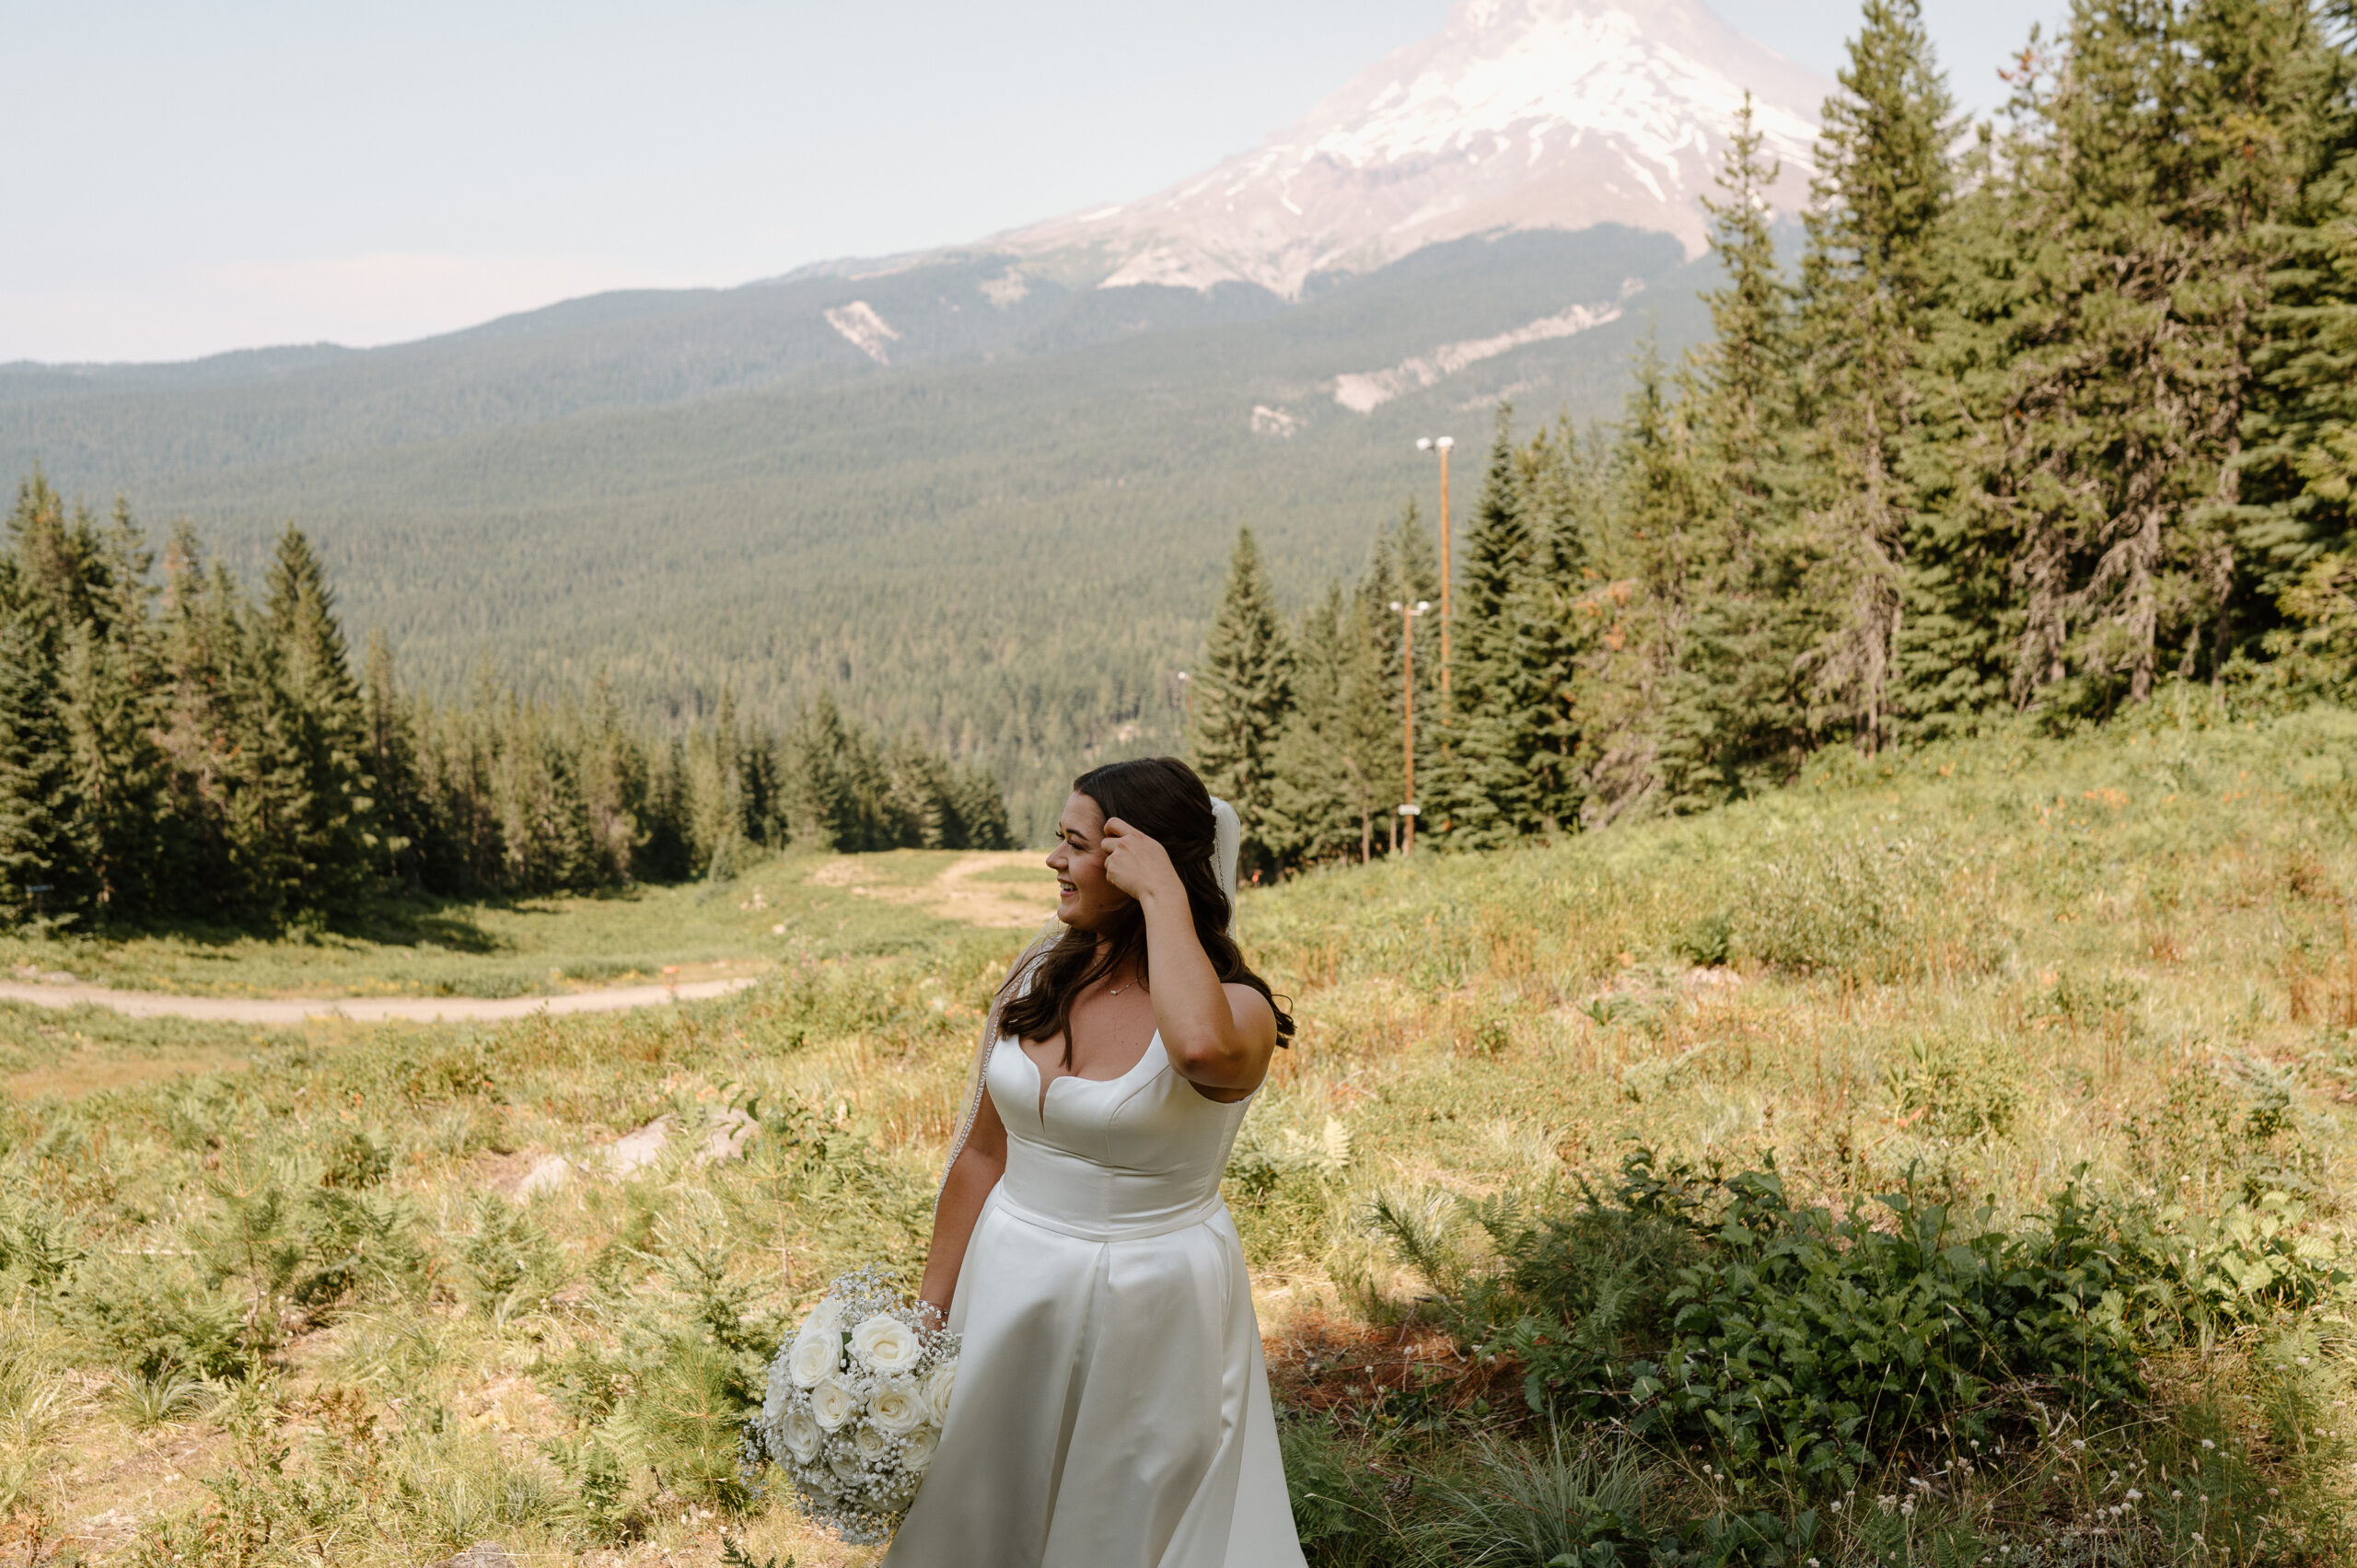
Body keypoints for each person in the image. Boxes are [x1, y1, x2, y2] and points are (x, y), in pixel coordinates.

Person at [882, 757, 1307, 1568]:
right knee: (982, 1507)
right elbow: (979, 1154)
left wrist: (1165, 896)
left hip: (1148, 1305)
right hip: (1008, 1283)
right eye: (1061, 839)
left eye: (1078, 845)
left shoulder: (1237, 1009)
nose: (1055, 861)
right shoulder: (1042, 976)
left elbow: (1197, 1047)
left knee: (1117, 1522)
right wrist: (926, 1321)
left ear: (1143, 863)